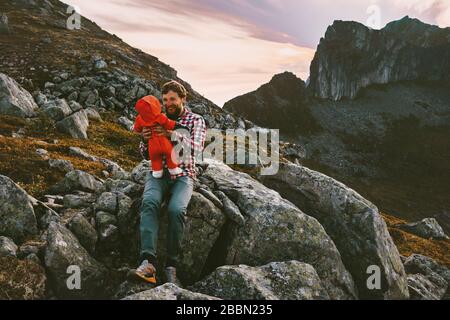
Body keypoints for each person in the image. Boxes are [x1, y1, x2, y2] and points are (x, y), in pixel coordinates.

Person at [134, 80, 206, 286]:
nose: (168, 103)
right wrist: (145, 138)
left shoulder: (195, 120)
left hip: (184, 174)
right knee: (149, 203)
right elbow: (144, 153)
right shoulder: (156, 117)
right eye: (165, 100)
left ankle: (171, 265)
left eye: (172, 99)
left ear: (183, 99)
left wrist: (171, 134)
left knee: (176, 210)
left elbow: (197, 147)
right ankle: (148, 263)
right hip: (158, 173)